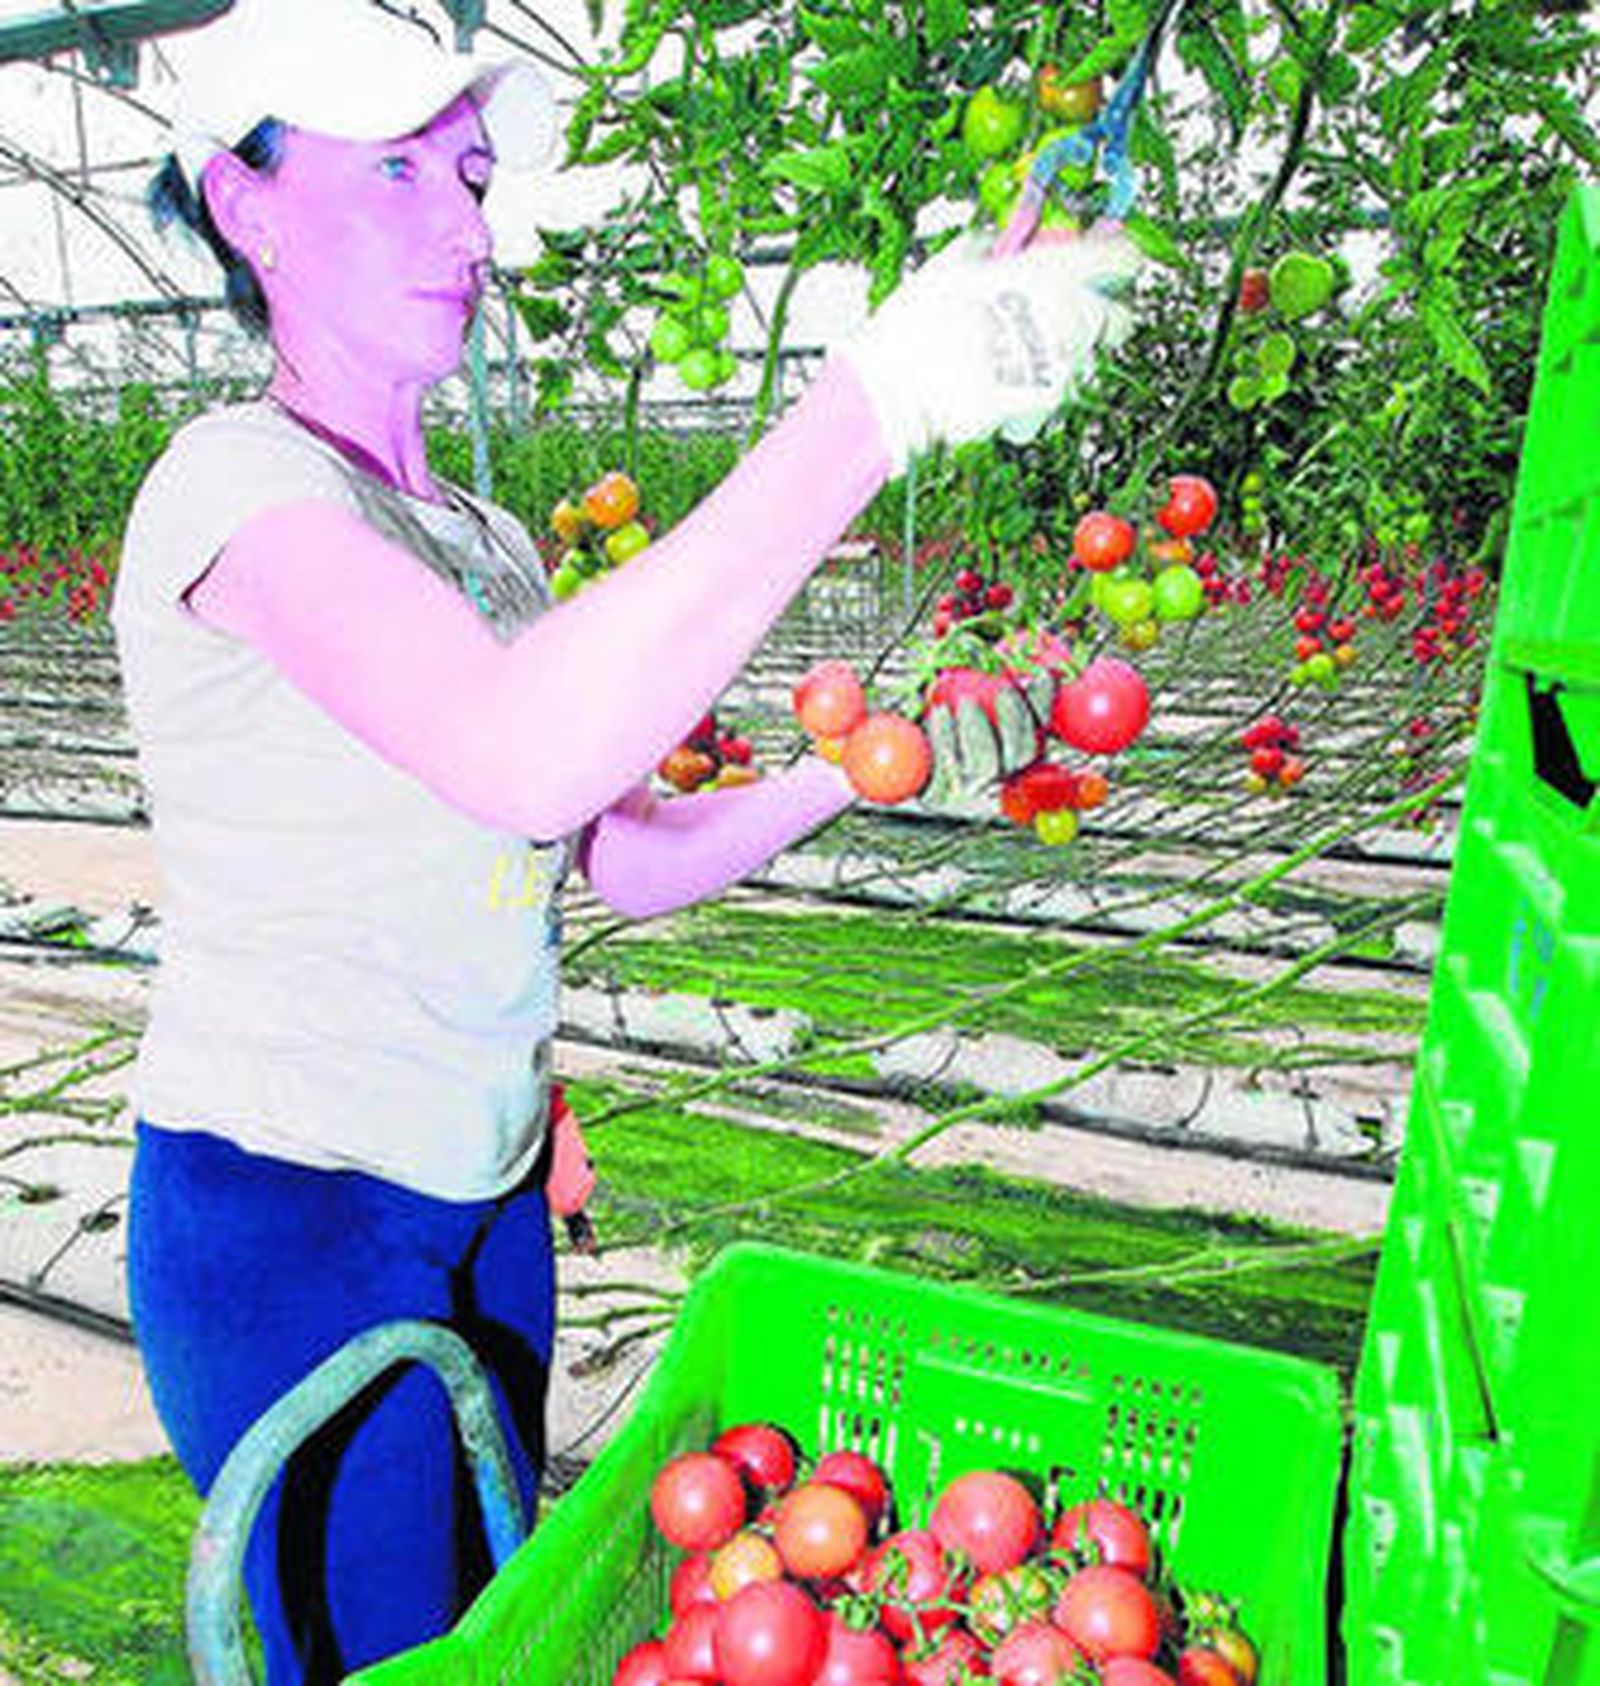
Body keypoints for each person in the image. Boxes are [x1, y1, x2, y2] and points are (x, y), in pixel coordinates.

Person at [113, 0, 1139, 1676]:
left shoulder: (488, 538)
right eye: (397, 175)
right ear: (249, 203)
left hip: (487, 1184)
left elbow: (618, 850)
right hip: (290, 1208)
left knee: (494, 1615)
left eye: (471, 173)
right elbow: (520, 752)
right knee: (384, 1645)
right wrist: (874, 399)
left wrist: (863, 772)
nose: (461, 224)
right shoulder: (230, 492)